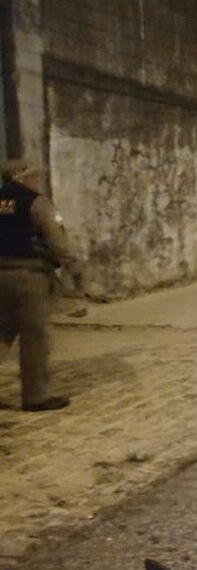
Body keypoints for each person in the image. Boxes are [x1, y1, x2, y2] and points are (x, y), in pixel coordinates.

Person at [1, 158, 82, 412]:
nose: (38, 182)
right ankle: (36, 395)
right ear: (24, 178)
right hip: (30, 275)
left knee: (2, 333)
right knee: (35, 335)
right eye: (35, 177)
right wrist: (76, 268)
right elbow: (56, 240)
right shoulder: (36, 203)